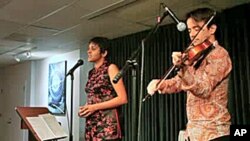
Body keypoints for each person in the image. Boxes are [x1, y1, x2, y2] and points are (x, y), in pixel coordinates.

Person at [147, 8, 232, 141]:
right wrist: (161, 84)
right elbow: (180, 82)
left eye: (196, 29)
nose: (192, 34)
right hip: (193, 132)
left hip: (214, 132)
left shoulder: (219, 55)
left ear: (212, 29)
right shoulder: (196, 56)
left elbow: (204, 89)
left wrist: (183, 69)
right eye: (189, 30)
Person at [78, 37, 128, 141]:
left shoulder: (111, 68)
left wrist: (94, 107)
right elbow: (94, 96)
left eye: (93, 48)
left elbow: (122, 98)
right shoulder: (91, 73)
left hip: (107, 125)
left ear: (104, 53)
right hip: (92, 124)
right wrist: (86, 109)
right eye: (88, 48)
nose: (89, 51)